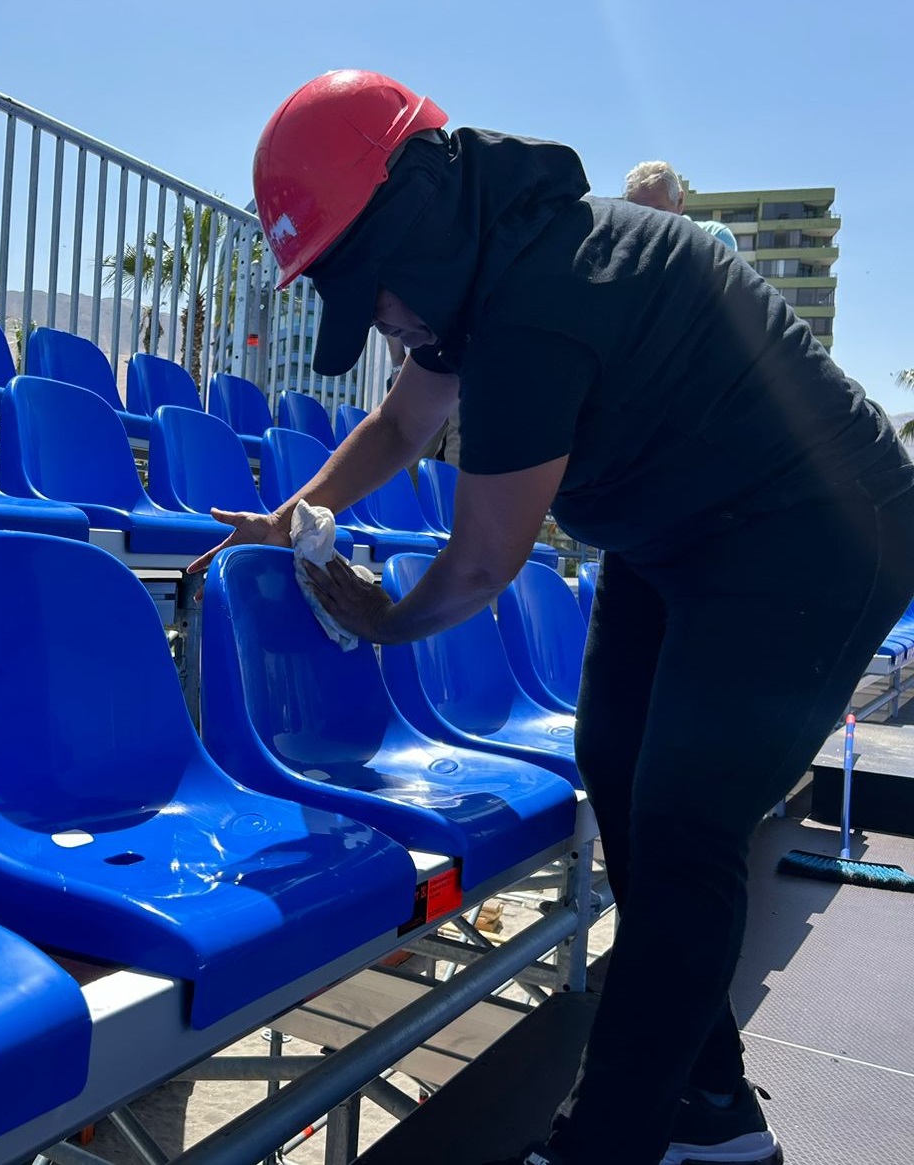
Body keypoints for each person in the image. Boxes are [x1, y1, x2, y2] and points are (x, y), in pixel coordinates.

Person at [190, 70, 914, 1165]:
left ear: (413, 227)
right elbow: (399, 425)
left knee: (680, 824)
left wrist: (383, 625)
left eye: (372, 290)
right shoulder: (473, 262)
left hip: (815, 535)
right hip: (676, 535)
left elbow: (481, 564)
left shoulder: (541, 295)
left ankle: (606, 1143)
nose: (382, 321)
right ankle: (710, 1110)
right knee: (615, 772)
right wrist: (293, 518)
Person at [624, 159, 740, 252]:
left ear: (679, 201)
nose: (649, 225)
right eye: (640, 216)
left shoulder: (714, 238)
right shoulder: (622, 247)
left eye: (659, 214)